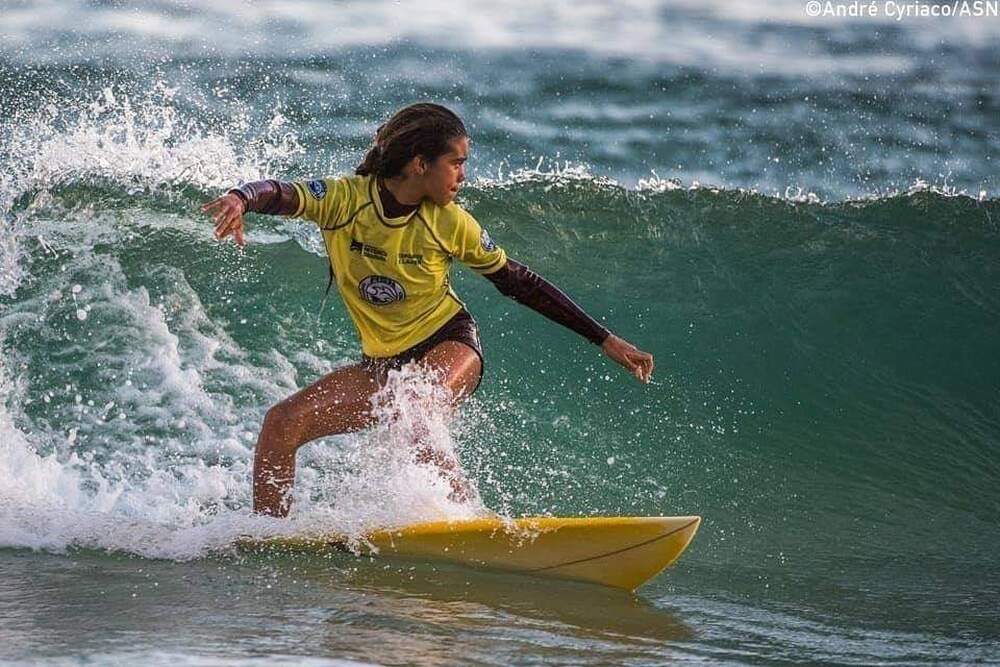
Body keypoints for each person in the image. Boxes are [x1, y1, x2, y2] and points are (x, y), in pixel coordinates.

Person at [201, 103, 654, 517]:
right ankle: (269, 536)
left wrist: (605, 338)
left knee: (416, 403)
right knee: (282, 423)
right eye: (456, 164)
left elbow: (519, 282)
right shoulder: (346, 200)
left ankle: (465, 521)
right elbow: (280, 193)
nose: (463, 176)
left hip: (449, 342)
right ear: (420, 164)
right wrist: (241, 198)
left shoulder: (450, 221)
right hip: (383, 363)